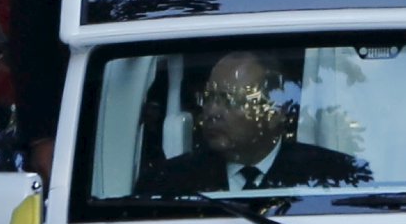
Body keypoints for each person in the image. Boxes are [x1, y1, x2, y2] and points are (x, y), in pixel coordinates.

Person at [135, 49, 370, 197]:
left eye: (230, 100)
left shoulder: (336, 177)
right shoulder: (166, 183)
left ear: (277, 110)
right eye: (209, 98)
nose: (212, 112)